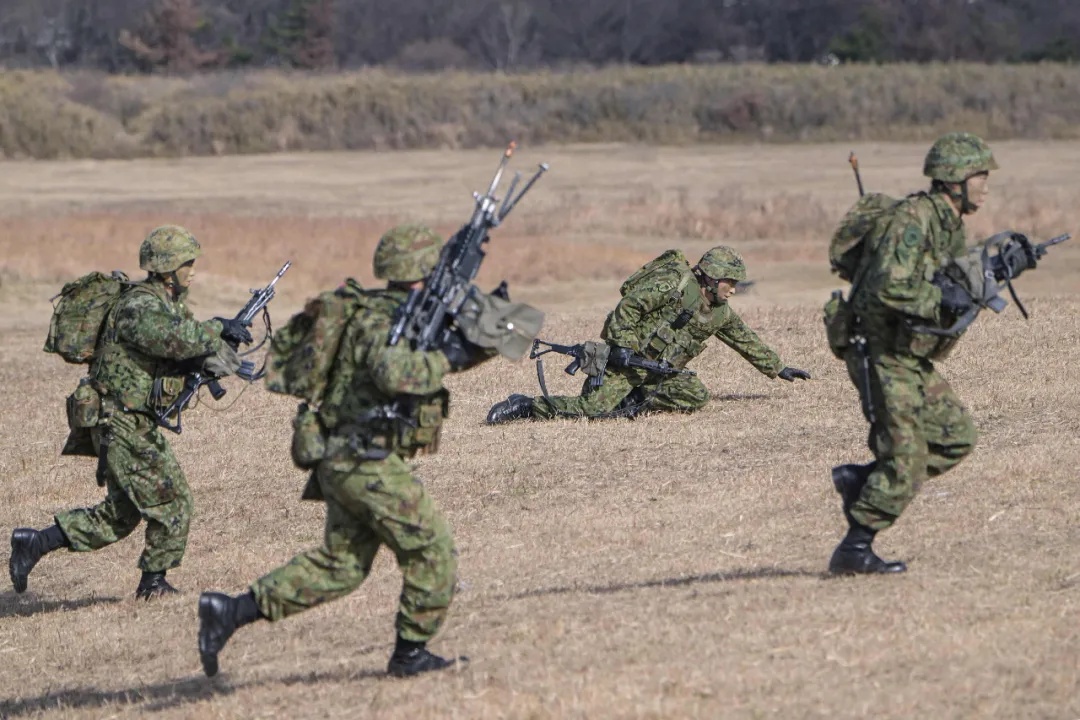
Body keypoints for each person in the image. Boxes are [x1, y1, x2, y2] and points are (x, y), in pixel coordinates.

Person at [197, 224, 496, 679]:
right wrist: (447, 358)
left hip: (344, 456)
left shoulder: (393, 311)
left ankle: (230, 611)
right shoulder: (384, 322)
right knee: (432, 550)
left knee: (342, 566)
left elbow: (440, 352)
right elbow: (395, 372)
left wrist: (477, 339)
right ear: (424, 269)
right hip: (364, 459)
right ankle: (410, 655)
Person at [8, 225, 247, 599]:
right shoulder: (141, 306)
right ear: (168, 269)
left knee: (120, 515)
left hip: (126, 417)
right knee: (173, 500)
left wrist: (221, 346)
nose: (194, 271)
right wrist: (219, 327)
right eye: (188, 263)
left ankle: (34, 542)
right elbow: (178, 339)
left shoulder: (163, 304)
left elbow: (177, 351)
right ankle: (153, 585)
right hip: (119, 419)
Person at [828, 132, 996, 574]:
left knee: (956, 437)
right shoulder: (915, 220)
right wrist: (940, 300)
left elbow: (953, 281)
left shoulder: (948, 224)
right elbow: (888, 288)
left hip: (910, 353)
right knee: (905, 459)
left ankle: (862, 481)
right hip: (881, 352)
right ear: (955, 179)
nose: (986, 185)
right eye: (980, 176)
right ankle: (855, 549)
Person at [485, 245, 809, 423]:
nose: (734, 291)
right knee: (592, 411)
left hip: (657, 372)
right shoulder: (674, 284)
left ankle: (633, 401)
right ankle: (527, 406)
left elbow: (743, 338)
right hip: (625, 362)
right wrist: (624, 348)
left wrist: (777, 367)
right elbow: (628, 307)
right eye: (731, 283)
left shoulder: (720, 312)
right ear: (712, 278)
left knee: (696, 395)